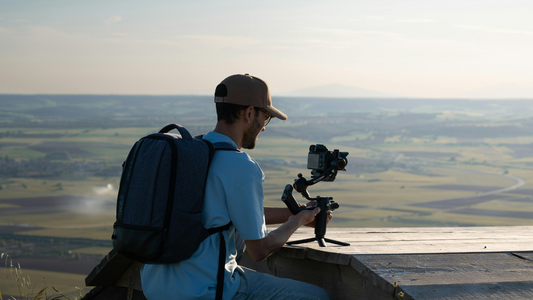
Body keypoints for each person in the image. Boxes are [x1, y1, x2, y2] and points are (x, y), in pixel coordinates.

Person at [140, 74, 331, 300]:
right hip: (205, 291)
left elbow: (225, 214)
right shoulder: (241, 166)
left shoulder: (193, 153)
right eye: (265, 118)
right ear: (249, 113)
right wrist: (296, 222)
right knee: (315, 296)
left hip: (154, 286)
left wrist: (295, 212)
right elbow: (259, 250)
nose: (263, 128)